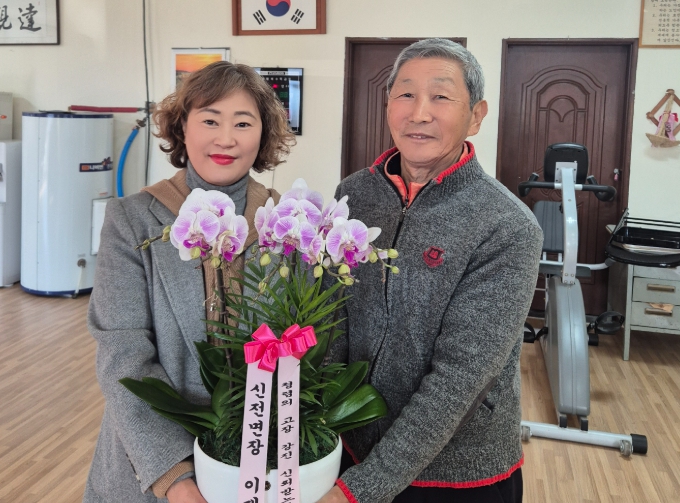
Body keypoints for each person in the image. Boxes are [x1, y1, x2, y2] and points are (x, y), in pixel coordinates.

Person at [318, 39, 543, 503]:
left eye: (440, 96)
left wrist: (363, 489)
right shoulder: (354, 194)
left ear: (476, 115)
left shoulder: (506, 225)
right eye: (405, 94)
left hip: (455, 476)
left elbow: (461, 379)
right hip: (348, 447)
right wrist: (319, 425)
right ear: (388, 106)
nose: (419, 113)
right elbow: (334, 320)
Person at [83, 61, 295, 503]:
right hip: (151, 461)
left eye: (243, 123)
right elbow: (123, 354)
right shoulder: (133, 220)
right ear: (182, 127)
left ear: (263, 134)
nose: (226, 138)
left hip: (261, 459)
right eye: (210, 120)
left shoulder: (286, 222)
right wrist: (174, 478)